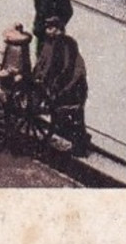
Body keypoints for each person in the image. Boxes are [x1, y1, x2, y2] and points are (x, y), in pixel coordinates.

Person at [33, 16, 89, 154]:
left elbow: (68, 68)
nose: (48, 31)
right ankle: (75, 138)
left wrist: (55, 86)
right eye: (47, 28)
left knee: (73, 114)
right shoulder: (50, 42)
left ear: (59, 29)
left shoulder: (67, 44)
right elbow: (43, 63)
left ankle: (80, 145)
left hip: (74, 86)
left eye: (51, 28)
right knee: (65, 114)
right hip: (63, 84)